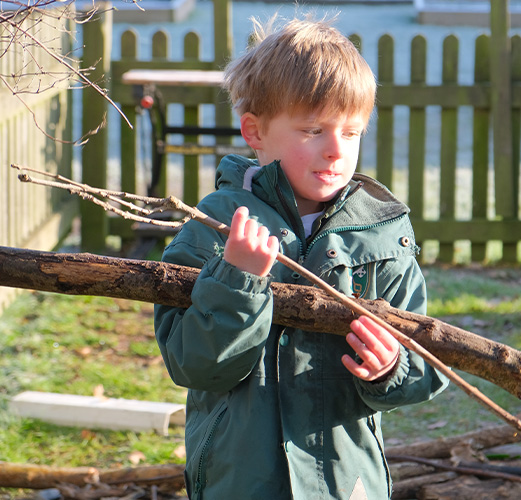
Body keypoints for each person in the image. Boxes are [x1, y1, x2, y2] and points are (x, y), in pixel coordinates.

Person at [154, 15, 449, 500]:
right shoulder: (215, 229)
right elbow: (194, 365)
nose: (336, 150)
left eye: (351, 133)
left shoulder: (383, 232)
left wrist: (392, 366)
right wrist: (237, 280)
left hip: (345, 481)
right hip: (242, 481)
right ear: (255, 131)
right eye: (313, 129)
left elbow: (428, 359)